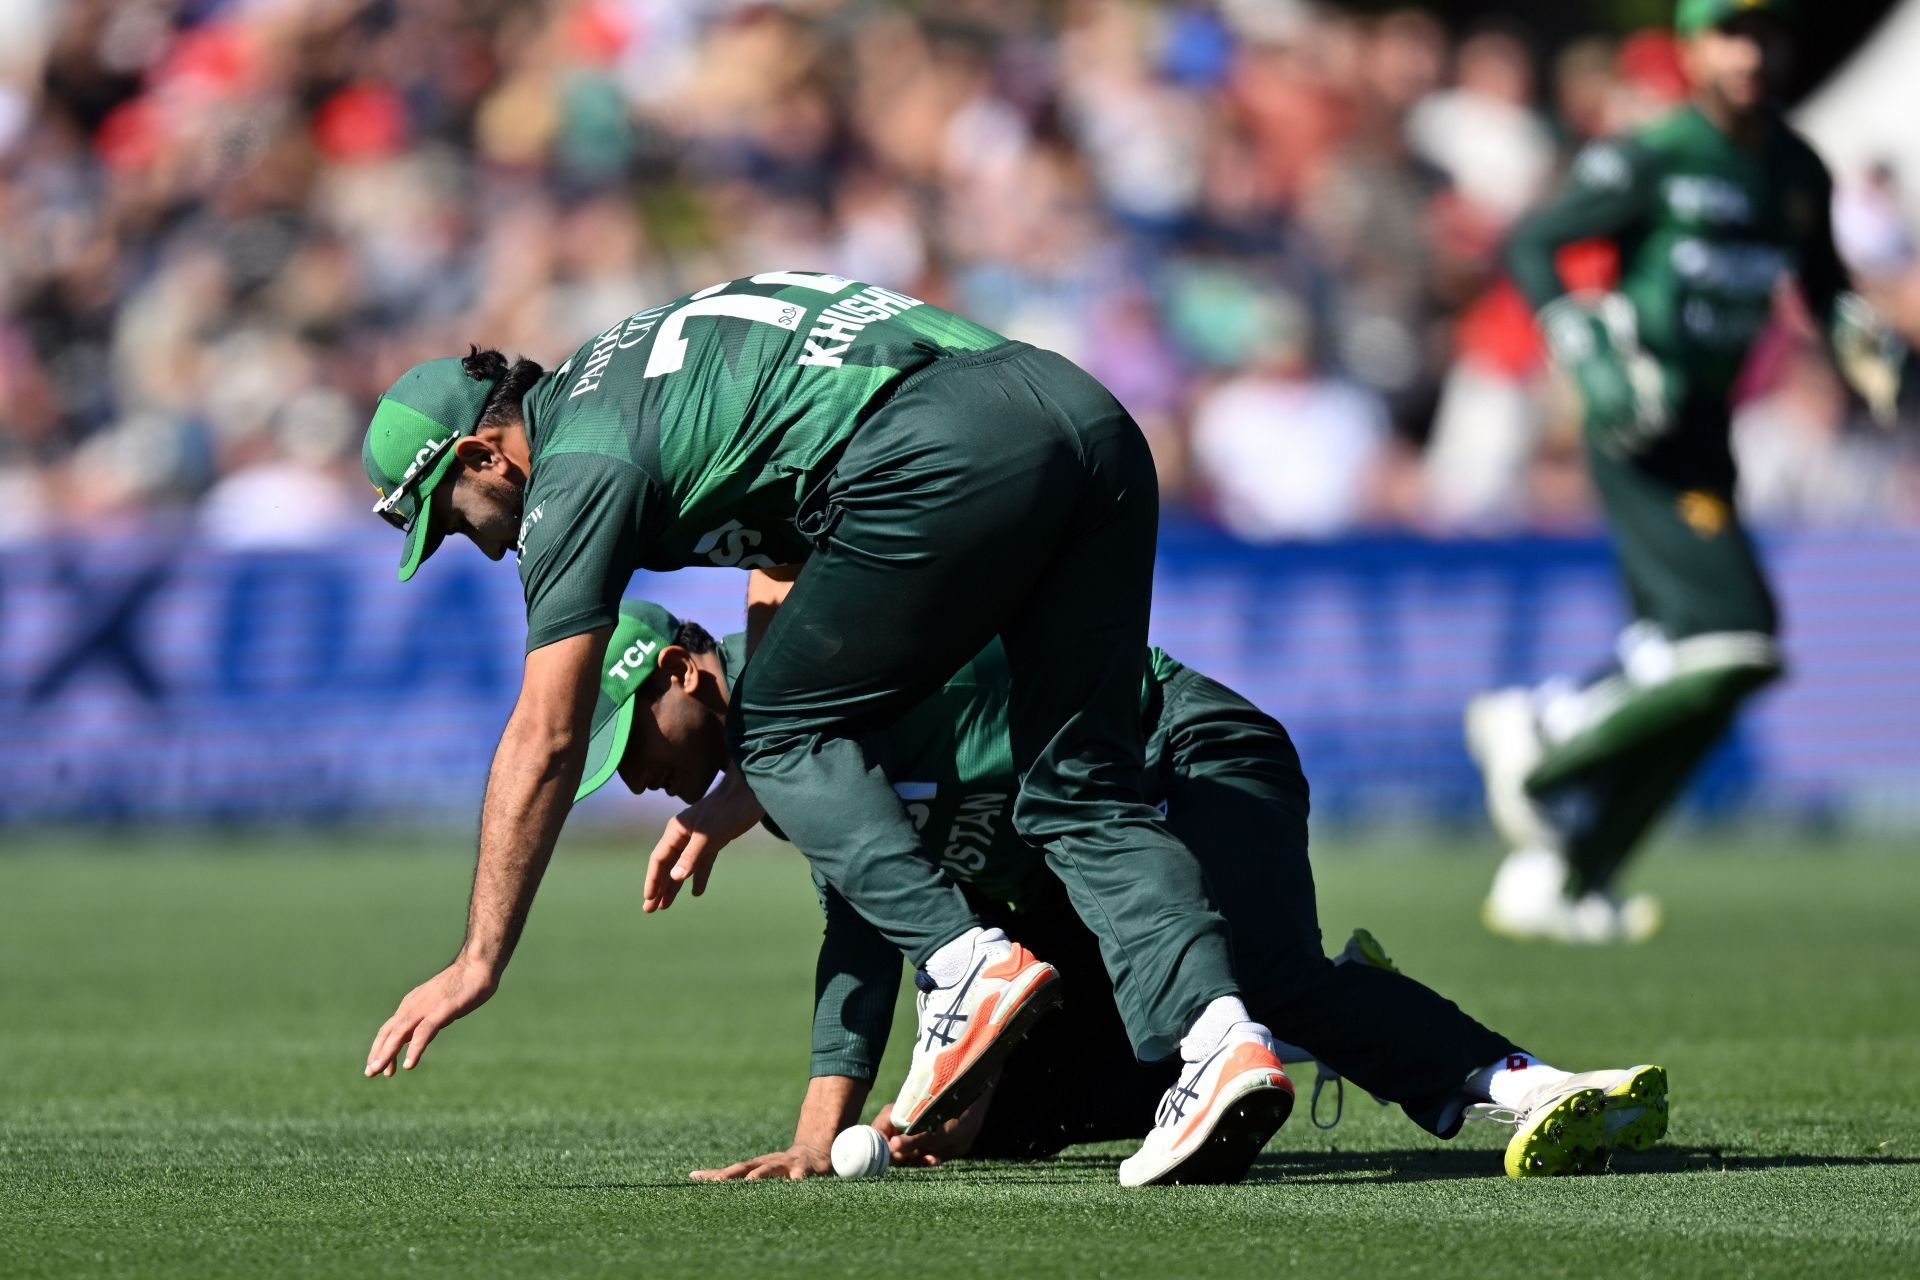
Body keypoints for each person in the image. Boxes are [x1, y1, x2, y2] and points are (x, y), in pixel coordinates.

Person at [356, 272, 1292, 1186]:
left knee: (769, 730)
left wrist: (478, 957)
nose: (468, 543)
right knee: (1079, 786)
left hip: (939, 445)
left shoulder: (575, 467)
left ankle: (965, 967)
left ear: (483, 454)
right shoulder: (632, 366)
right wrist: (748, 785)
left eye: (444, 520)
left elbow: (547, 736)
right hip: (1083, 416)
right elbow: (782, 555)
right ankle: (1221, 1043)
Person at [573, 597, 1670, 1180]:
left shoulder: (812, 683)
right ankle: (1290, 1031)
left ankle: (1536, 1085)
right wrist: (832, 1132)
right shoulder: (797, 763)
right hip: (1078, 861)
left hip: (1184, 755)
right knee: (999, 1118)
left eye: (632, 735)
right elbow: (861, 934)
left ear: (684, 670)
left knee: (1268, 970)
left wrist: (745, 791)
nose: (632, 773)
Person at [1470, 0, 1910, 942]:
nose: (1748, 52)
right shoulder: (1656, 151)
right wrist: (1580, 338)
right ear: (1694, 44)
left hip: (1709, 433)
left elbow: (1821, 283)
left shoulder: (1795, 167)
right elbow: (1534, 241)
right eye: (1729, 32)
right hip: (1641, 421)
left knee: (1712, 679)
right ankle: (1546, 725)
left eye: (1764, 33)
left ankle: (1567, 876)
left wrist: (1857, 331)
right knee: (1736, 643)